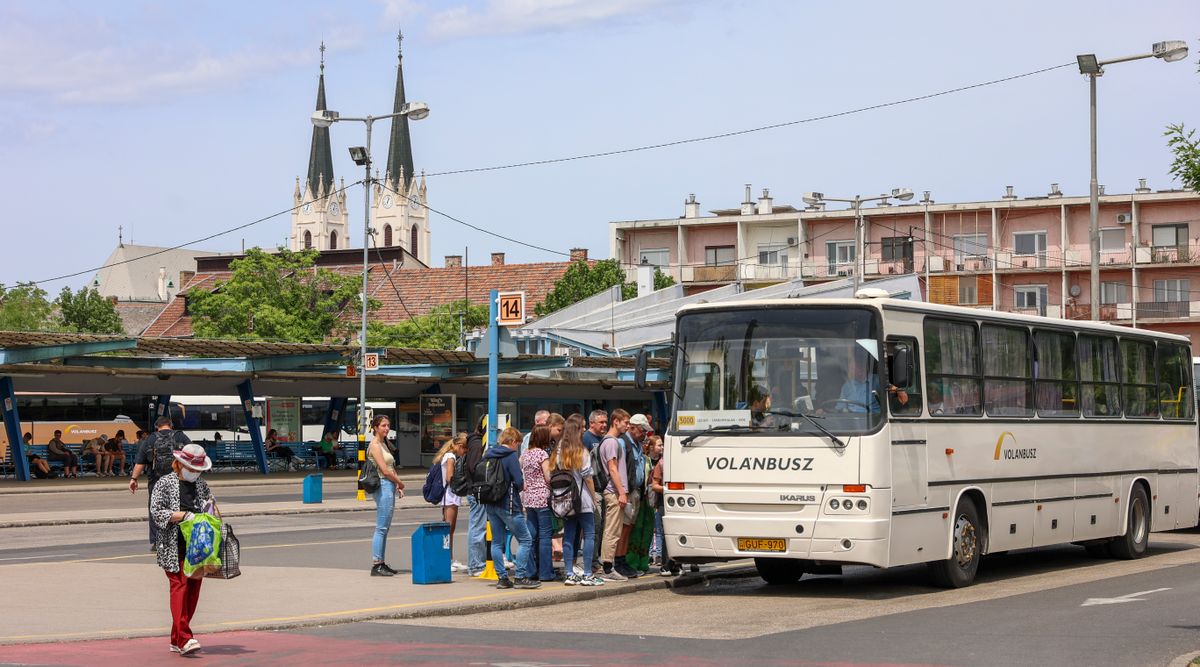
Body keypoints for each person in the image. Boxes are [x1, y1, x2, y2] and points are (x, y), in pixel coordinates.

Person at [149, 443, 216, 656]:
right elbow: (157, 512)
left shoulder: (202, 485)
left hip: (197, 546)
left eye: (198, 470)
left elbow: (210, 506)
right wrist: (183, 516)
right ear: (179, 464)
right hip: (172, 545)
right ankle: (185, 638)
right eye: (192, 469)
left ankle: (176, 639)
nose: (195, 473)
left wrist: (208, 514)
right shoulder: (164, 483)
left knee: (193, 592)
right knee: (180, 587)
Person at [481, 426, 539, 589]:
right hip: (509, 503)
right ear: (512, 441)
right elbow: (519, 481)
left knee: (496, 543)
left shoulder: (488, 455)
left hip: (491, 503)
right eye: (518, 443)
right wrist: (522, 485)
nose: (518, 446)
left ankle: (502, 578)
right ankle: (520, 577)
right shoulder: (510, 456)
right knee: (525, 539)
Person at [131, 417, 192, 551]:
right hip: (178, 479)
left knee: (156, 509)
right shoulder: (180, 436)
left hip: (156, 481)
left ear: (156, 426)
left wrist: (134, 479)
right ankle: (181, 538)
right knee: (179, 507)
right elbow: (192, 455)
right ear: (171, 425)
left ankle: (157, 542)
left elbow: (140, 461)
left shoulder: (150, 439)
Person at [556, 417, 603, 586]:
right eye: (582, 427)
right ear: (576, 430)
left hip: (566, 498)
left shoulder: (560, 450)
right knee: (589, 534)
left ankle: (569, 572)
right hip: (582, 497)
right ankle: (588, 574)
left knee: (569, 535)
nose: (584, 430)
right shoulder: (581, 451)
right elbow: (588, 477)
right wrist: (594, 499)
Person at [367, 415, 405, 576]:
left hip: (388, 485)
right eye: (383, 425)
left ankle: (381, 562)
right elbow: (384, 470)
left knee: (385, 527)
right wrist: (400, 482)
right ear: (375, 427)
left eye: (388, 425)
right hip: (382, 486)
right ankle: (377, 564)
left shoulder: (384, 443)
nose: (386, 428)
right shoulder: (375, 445)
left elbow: (391, 465)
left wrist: (396, 484)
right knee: (381, 527)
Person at [599, 409, 632, 581]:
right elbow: (612, 468)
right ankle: (607, 568)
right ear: (616, 421)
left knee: (614, 530)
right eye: (625, 422)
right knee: (612, 531)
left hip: (614, 492)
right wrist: (621, 492)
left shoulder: (610, 441)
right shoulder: (612, 442)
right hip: (613, 492)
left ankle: (608, 566)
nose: (627, 426)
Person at [520, 425, 555, 582]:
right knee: (545, 536)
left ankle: (530, 570)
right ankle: (546, 572)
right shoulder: (542, 454)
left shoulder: (525, 454)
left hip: (529, 499)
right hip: (542, 497)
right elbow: (548, 477)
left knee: (530, 536)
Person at [623, 414, 652, 575]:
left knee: (630, 529)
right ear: (632, 427)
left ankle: (626, 563)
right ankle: (621, 562)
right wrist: (623, 492)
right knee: (624, 529)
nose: (645, 434)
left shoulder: (637, 444)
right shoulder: (623, 443)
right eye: (642, 430)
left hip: (637, 493)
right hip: (627, 492)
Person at [437, 432, 468, 572]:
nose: (465, 452)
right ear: (459, 446)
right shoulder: (450, 457)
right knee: (448, 529)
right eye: (464, 449)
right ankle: (446, 560)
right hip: (449, 496)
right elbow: (450, 477)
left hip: (450, 496)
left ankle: (449, 558)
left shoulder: (449, 455)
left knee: (450, 528)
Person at [649, 443, 682, 576]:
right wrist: (668, 489)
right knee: (665, 534)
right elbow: (654, 485)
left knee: (678, 532)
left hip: (679, 501)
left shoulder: (681, 463)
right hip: (665, 502)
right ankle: (666, 565)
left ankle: (677, 564)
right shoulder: (661, 464)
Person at [461, 416, 488, 577]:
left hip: (476, 491)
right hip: (477, 491)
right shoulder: (478, 444)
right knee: (478, 528)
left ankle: (479, 563)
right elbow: (474, 467)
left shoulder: (475, 443)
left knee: (480, 528)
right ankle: (476, 565)